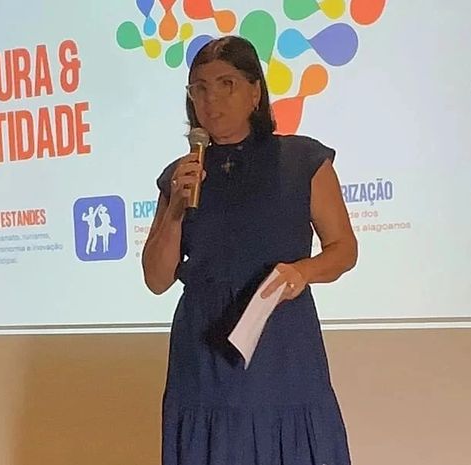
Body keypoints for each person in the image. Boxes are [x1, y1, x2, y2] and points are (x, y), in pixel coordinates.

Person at [142, 35, 357, 465]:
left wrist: (302, 272)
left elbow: (343, 248)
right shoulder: (180, 175)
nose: (211, 99)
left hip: (280, 339)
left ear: (255, 92)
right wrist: (176, 209)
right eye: (200, 88)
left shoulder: (301, 159)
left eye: (226, 84)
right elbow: (156, 279)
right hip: (203, 348)